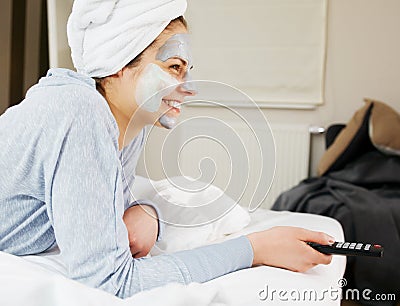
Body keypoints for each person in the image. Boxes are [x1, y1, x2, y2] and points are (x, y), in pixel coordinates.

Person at [0, 0, 333, 299]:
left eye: (187, 71)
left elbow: (103, 200)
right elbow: (109, 282)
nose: (188, 88)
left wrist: (150, 213)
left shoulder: (126, 123)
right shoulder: (80, 111)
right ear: (119, 63)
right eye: (175, 67)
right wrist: (254, 248)